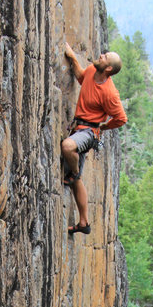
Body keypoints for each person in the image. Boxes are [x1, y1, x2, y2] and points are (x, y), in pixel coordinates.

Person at [62, 42, 127, 235]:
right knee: (77, 180)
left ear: (108, 69)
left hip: (89, 133)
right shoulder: (92, 70)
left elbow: (121, 118)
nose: (101, 55)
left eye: (105, 57)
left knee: (67, 147)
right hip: (79, 127)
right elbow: (82, 77)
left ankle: (72, 172)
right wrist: (71, 55)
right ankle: (84, 222)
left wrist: (104, 126)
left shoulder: (109, 93)